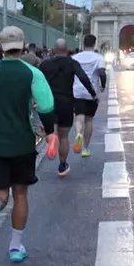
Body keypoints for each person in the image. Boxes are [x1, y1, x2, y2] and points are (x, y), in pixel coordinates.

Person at [0, 26, 57, 263]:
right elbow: (47, 106)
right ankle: (16, 247)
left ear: (0, 47)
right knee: (20, 193)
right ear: (23, 46)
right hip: (22, 144)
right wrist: (50, 132)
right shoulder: (32, 73)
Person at [39, 38, 96, 177]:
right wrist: (93, 94)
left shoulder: (45, 64)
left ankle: (52, 139)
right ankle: (62, 165)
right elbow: (83, 78)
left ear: (54, 49)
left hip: (49, 103)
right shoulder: (72, 63)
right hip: (66, 103)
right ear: (67, 49)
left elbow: (37, 81)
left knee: (52, 130)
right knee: (64, 136)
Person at [72, 34, 107, 157]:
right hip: (91, 92)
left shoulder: (75, 57)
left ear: (83, 43)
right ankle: (85, 149)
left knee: (79, 117)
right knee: (89, 120)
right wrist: (103, 86)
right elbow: (102, 73)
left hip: (77, 91)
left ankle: (78, 134)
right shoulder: (99, 58)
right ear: (94, 44)